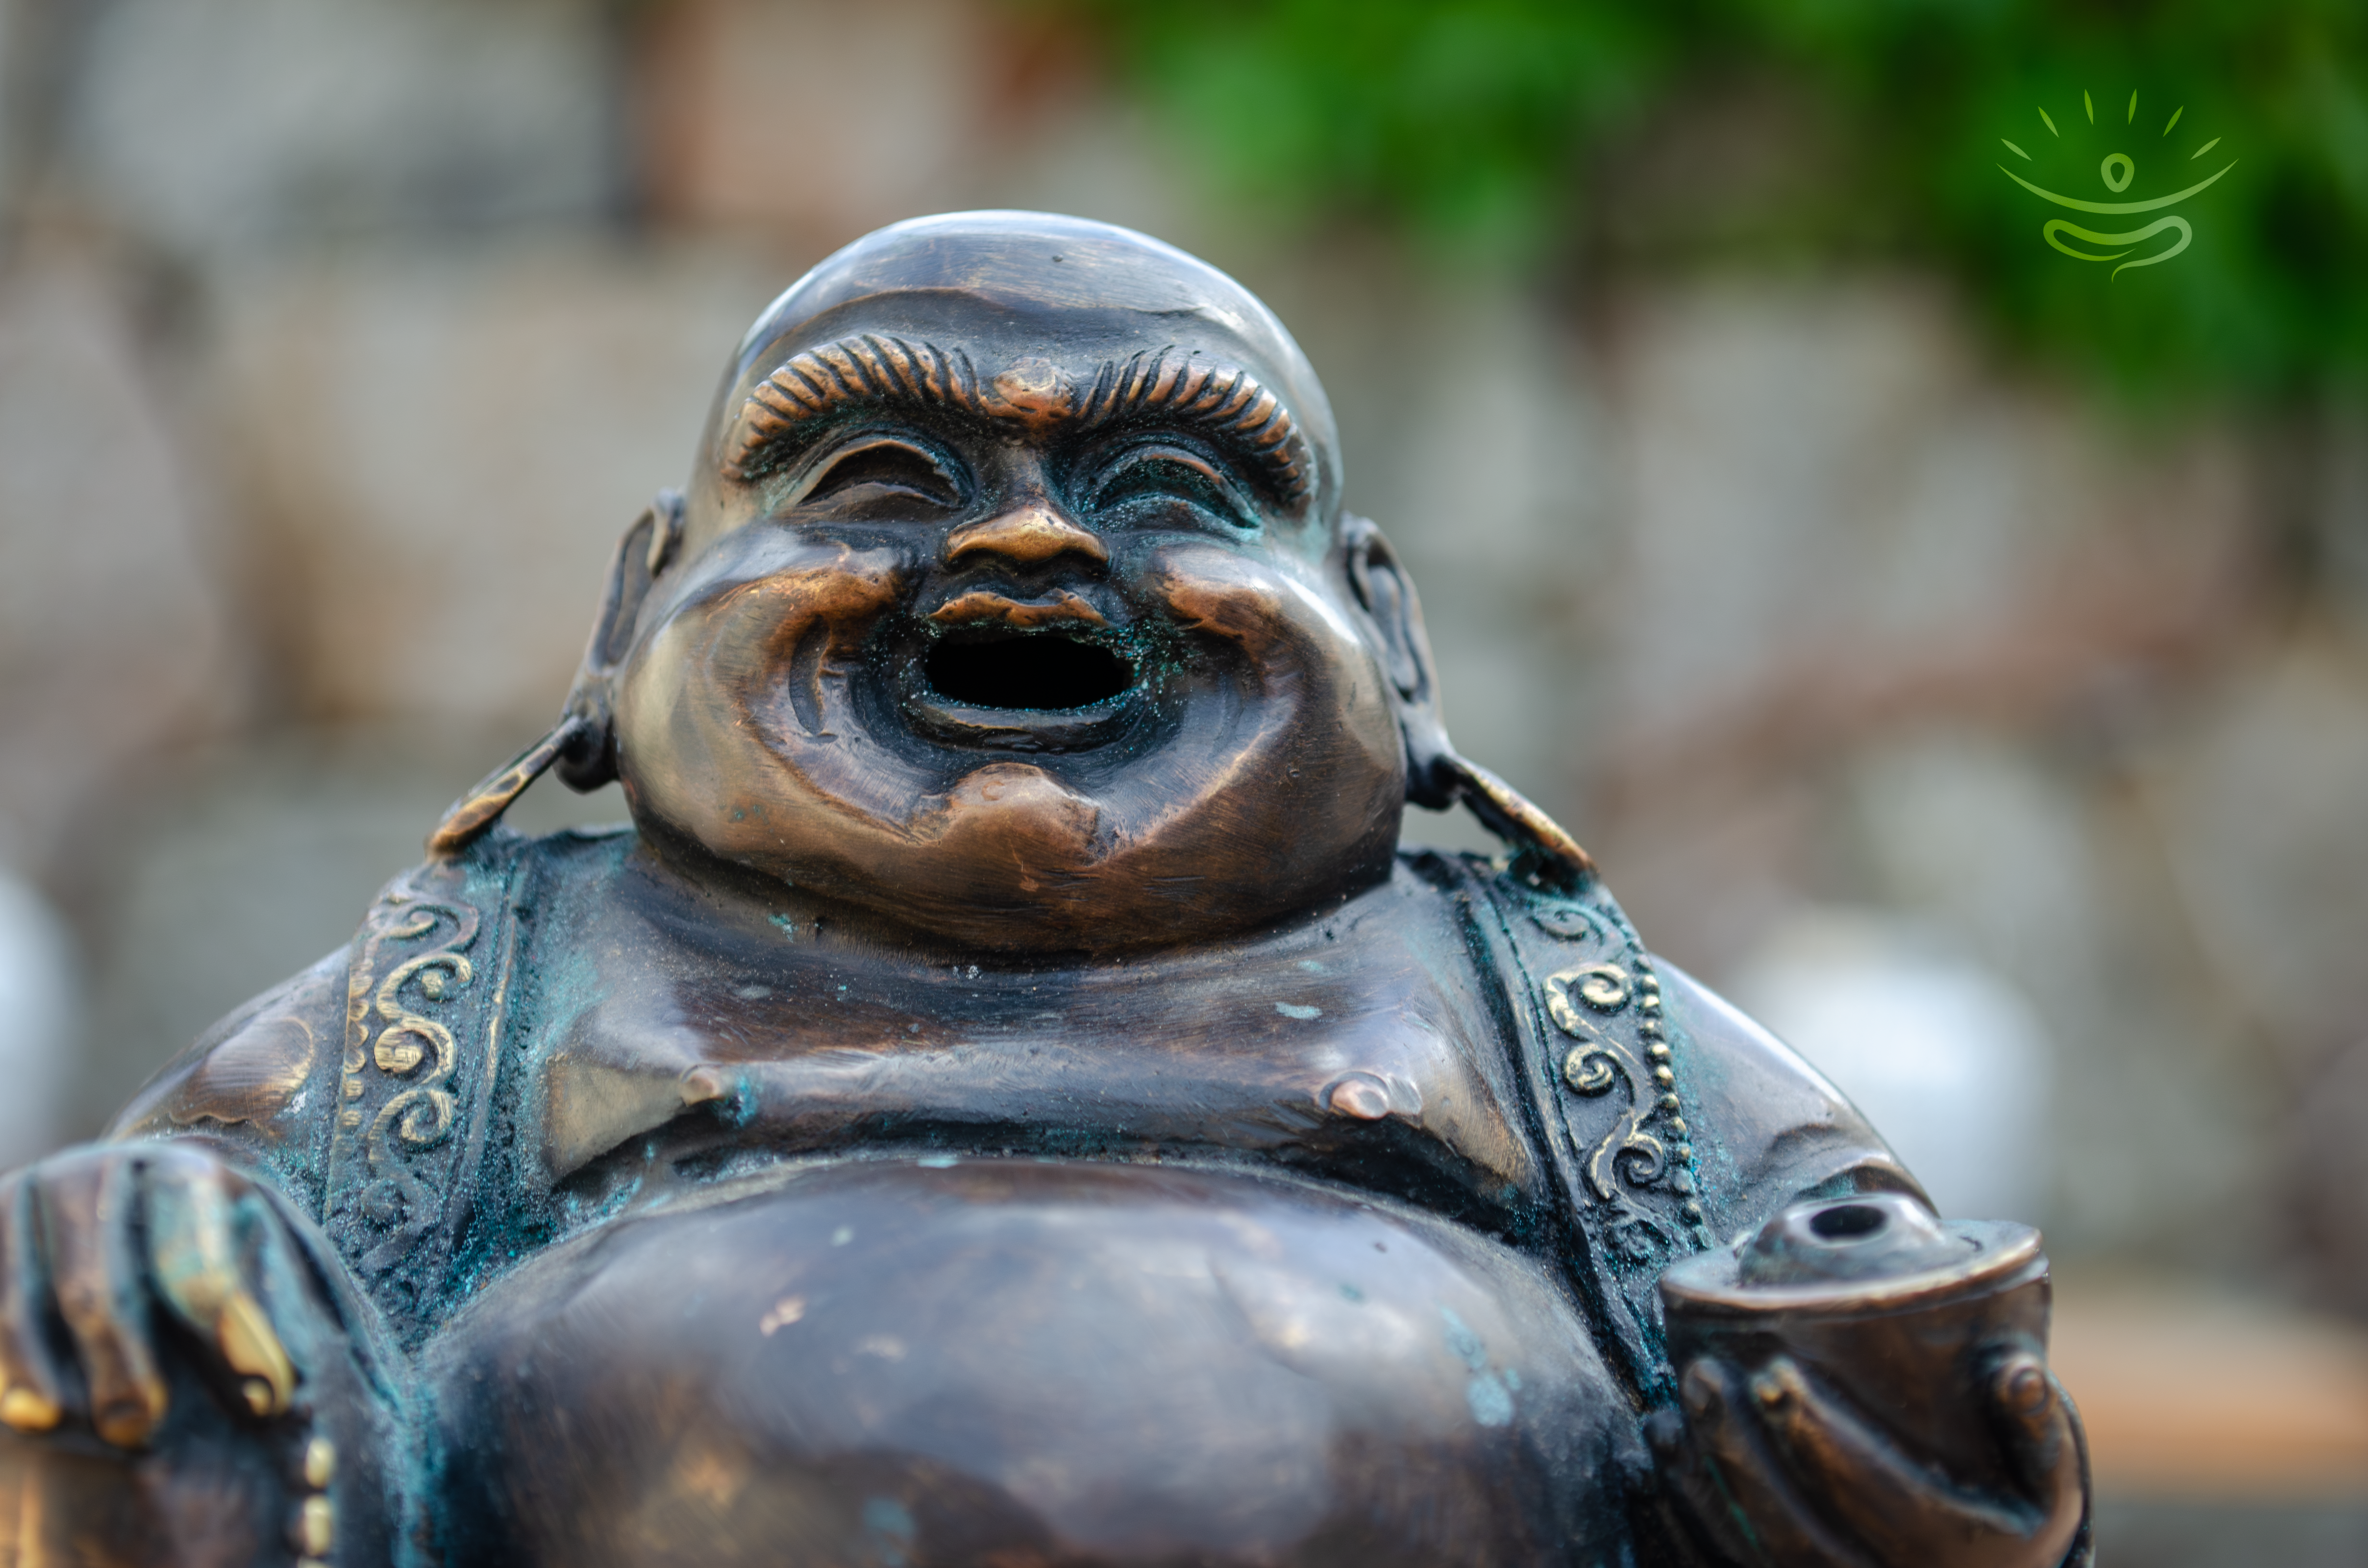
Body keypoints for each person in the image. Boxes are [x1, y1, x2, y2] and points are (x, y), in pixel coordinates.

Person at [0, 212, 2087, 1567]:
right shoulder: (480, 994)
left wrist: (1858, 1398)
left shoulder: (1537, 1011)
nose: (1023, 552)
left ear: (1393, 641)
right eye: (885, 477)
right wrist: (160, 1279)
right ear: (633, 613)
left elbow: (1853, 1304)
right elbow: (191, 1246)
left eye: (1171, 492)